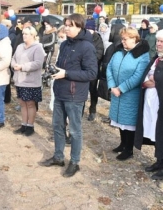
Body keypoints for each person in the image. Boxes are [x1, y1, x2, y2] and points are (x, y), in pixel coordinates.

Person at [40, 13, 98, 178]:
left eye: (71, 25)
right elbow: (61, 67)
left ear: (80, 27)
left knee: (74, 131)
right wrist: (55, 71)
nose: (66, 27)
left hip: (74, 95)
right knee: (58, 126)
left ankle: (75, 162)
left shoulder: (87, 47)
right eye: (66, 24)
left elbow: (91, 73)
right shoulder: (65, 44)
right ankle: (58, 157)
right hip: (60, 91)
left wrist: (66, 74)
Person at [107, 27, 149, 161]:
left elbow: (138, 76)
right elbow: (109, 68)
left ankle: (129, 149)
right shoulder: (119, 51)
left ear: (134, 38)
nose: (122, 41)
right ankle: (122, 143)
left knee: (129, 122)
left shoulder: (143, 55)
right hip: (116, 92)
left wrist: (121, 88)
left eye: (125, 39)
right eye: (122, 39)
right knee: (119, 119)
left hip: (130, 94)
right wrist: (112, 86)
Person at [135, 30, 163, 180]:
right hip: (152, 102)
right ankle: (159, 161)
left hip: (160, 101)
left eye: (162, 42)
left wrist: (155, 81)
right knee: (157, 133)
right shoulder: (157, 59)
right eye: (158, 41)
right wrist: (147, 83)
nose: (159, 44)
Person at [11, 26, 45, 136]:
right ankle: (23, 125)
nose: (24, 35)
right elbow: (13, 58)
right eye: (23, 33)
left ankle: (30, 126)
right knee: (22, 103)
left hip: (31, 80)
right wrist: (14, 65)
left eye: (26, 34)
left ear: (33, 35)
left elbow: (38, 63)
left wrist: (22, 66)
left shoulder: (38, 47)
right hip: (19, 79)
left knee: (30, 104)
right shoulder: (20, 46)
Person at [85, 22, 104, 121]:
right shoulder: (82, 38)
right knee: (82, 90)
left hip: (93, 69)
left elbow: (99, 54)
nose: (88, 31)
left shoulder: (98, 39)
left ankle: (92, 110)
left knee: (92, 90)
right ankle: (81, 109)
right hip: (82, 69)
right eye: (87, 29)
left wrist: (88, 61)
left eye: (90, 29)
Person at [1, 19, 16, 104]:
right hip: (8, 58)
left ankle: (7, 98)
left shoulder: (11, 35)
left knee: (7, 79)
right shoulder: (9, 34)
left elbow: (11, 47)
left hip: (9, 58)